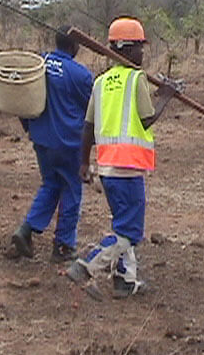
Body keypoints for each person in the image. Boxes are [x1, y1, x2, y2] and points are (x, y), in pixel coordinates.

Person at [66, 16, 177, 300]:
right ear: (127, 50)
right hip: (128, 168)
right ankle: (87, 265)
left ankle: (124, 281)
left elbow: (88, 126)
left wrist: (83, 162)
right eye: (140, 48)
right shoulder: (136, 77)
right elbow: (147, 118)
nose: (142, 53)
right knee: (129, 230)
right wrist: (166, 95)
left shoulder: (101, 82)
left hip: (107, 166)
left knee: (122, 223)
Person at [10, 25, 93, 263]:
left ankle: (25, 231)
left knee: (51, 185)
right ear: (75, 45)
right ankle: (64, 246)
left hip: (41, 139)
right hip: (68, 143)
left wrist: (29, 127)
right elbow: (91, 110)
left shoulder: (37, 65)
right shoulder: (80, 75)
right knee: (71, 190)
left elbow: (22, 97)